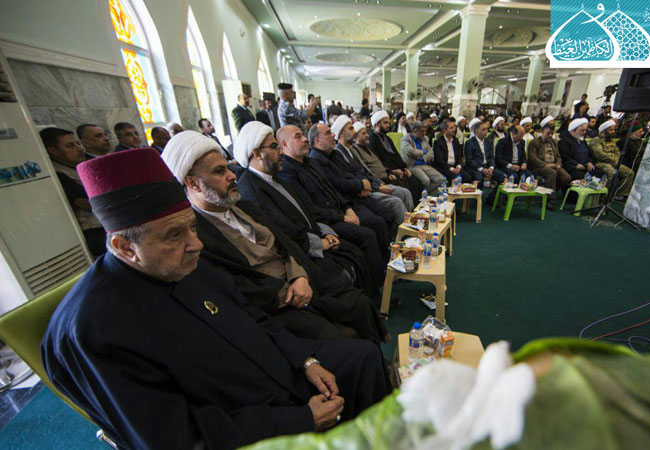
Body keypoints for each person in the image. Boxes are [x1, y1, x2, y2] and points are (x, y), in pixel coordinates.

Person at [42, 147, 390, 450]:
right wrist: (300, 420)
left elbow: (253, 317)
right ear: (124, 247)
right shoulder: (93, 331)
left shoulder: (184, 264)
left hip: (278, 371)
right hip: (243, 415)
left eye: (193, 227)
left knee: (362, 356)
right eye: (175, 235)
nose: (196, 244)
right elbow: (174, 437)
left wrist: (306, 361)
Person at [162, 130, 388, 343]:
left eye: (227, 168)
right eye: (219, 171)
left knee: (359, 302)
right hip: (276, 303)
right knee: (342, 341)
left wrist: (299, 275)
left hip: (299, 275)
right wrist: (287, 290)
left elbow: (284, 242)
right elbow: (233, 285)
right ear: (192, 183)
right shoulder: (197, 234)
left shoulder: (244, 207)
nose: (232, 175)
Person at [277, 125, 388, 287]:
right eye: (298, 136)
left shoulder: (310, 162)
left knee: (377, 222)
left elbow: (332, 190)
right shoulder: (287, 171)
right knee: (367, 235)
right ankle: (379, 286)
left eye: (303, 135)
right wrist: (343, 217)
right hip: (327, 221)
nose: (305, 139)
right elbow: (309, 208)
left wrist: (348, 209)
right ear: (285, 145)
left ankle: (385, 269)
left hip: (341, 211)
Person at [308, 122, 396, 249]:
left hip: (359, 194)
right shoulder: (316, 160)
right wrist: (360, 185)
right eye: (328, 133)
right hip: (349, 200)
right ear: (318, 141)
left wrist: (364, 184)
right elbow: (336, 184)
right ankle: (387, 257)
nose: (333, 135)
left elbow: (351, 172)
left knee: (389, 213)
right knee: (378, 223)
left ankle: (392, 248)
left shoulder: (335, 153)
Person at [327, 116, 408, 224]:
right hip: (362, 192)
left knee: (404, 192)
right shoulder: (338, 153)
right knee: (396, 203)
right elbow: (350, 177)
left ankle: (411, 227)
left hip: (371, 185)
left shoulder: (351, 150)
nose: (354, 132)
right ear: (342, 132)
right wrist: (373, 187)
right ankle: (405, 232)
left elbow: (365, 171)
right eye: (351, 128)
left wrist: (378, 183)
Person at [39, 127, 105, 256]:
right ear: (53, 151)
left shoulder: (83, 165)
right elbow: (85, 203)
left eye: (78, 143)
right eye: (70, 146)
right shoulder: (58, 175)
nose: (79, 149)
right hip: (94, 231)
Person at [349, 121, 415, 211]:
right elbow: (366, 170)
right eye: (363, 134)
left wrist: (389, 173)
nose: (367, 135)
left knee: (407, 188)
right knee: (403, 194)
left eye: (366, 133)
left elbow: (379, 164)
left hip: (385, 178)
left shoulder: (367, 147)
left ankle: (411, 216)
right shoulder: (355, 150)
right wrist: (378, 185)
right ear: (355, 136)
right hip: (377, 182)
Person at [368, 111, 423, 201]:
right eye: (385, 123)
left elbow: (397, 155)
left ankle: (417, 209)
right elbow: (377, 161)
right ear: (377, 124)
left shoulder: (388, 138)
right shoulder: (372, 139)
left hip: (399, 170)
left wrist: (405, 168)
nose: (388, 125)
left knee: (417, 183)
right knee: (405, 188)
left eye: (389, 123)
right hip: (388, 173)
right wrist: (392, 171)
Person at [590, 119, 634, 199]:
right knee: (612, 173)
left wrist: (616, 160)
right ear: (604, 131)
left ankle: (620, 194)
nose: (613, 131)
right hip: (600, 163)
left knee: (629, 173)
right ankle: (604, 196)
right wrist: (613, 160)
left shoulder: (612, 141)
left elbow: (617, 152)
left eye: (614, 130)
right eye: (611, 130)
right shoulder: (596, 141)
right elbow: (599, 154)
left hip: (613, 162)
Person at [527, 119, 572, 196]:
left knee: (566, 177)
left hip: (553, 165)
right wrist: (545, 165)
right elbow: (532, 158)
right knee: (552, 173)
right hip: (539, 167)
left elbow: (558, 156)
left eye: (552, 133)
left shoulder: (554, 142)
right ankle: (549, 198)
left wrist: (558, 164)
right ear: (542, 132)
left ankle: (550, 192)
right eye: (548, 133)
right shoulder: (534, 142)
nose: (550, 135)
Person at [399, 120, 445, 195]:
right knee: (426, 181)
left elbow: (431, 153)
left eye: (425, 131)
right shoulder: (405, 139)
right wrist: (424, 151)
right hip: (412, 166)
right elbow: (411, 152)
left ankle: (426, 195)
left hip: (424, 163)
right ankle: (423, 196)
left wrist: (423, 158)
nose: (425, 133)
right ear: (415, 131)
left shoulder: (425, 139)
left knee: (441, 179)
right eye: (422, 131)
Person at [464, 119, 504, 185]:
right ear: (476, 131)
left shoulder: (489, 141)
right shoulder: (470, 143)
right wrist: (482, 169)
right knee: (479, 177)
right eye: (483, 130)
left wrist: (491, 168)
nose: (486, 131)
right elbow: (470, 160)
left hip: (487, 166)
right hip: (476, 168)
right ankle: (478, 191)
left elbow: (492, 157)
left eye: (486, 129)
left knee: (501, 175)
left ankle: (494, 192)